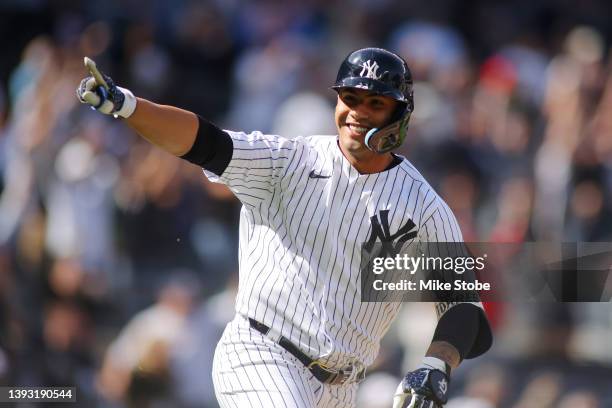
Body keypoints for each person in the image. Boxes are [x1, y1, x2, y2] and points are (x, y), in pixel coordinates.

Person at [77, 47, 492, 408]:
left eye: (375, 104)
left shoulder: (424, 206)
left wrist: (435, 364)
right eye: (350, 97)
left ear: (401, 114)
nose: (358, 113)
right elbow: (205, 142)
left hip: (341, 388)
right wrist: (128, 106)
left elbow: (463, 309)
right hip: (262, 352)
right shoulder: (290, 161)